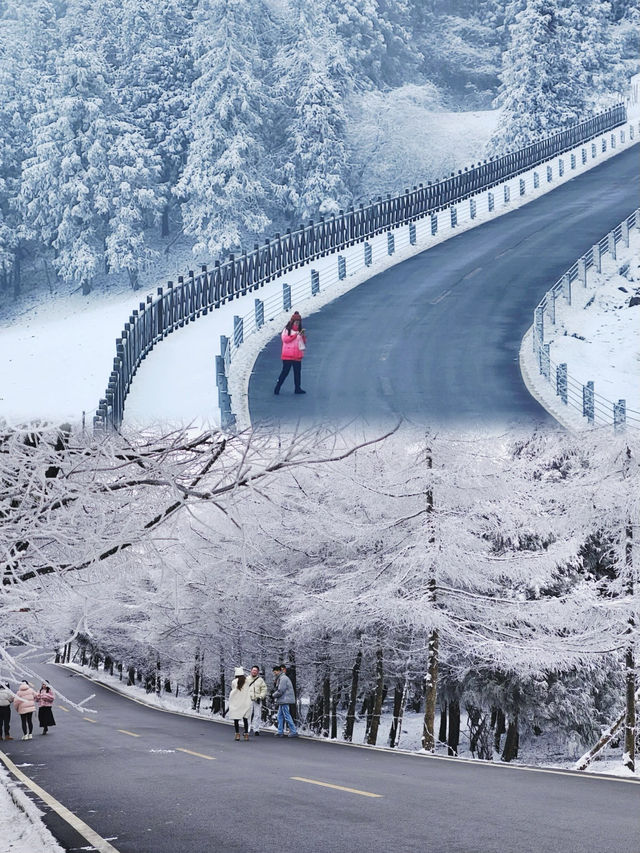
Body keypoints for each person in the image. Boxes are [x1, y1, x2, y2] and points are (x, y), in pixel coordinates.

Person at [274, 311, 307, 395]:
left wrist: (302, 336)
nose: (297, 324)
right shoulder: (287, 330)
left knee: (297, 373)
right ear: (292, 321)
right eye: (296, 322)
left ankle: (297, 388)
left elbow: (303, 342)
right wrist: (295, 335)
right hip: (287, 355)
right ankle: (277, 387)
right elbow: (285, 339)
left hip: (297, 355)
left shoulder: (299, 331)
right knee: (285, 372)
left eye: (298, 322)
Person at [272, 664, 298, 738]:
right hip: (283, 700)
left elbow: (281, 690)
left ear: (279, 671)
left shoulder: (283, 678)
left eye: (275, 672)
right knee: (280, 715)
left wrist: (273, 695)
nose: (274, 674)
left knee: (286, 715)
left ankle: (293, 731)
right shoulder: (282, 677)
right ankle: (280, 731)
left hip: (285, 699)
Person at [227, 667, 252, 741]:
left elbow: (233, 689)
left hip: (237, 702)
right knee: (245, 719)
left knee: (236, 719)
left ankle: (237, 734)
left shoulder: (234, 682)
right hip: (245, 702)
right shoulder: (247, 681)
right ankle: (246, 734)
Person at [247, 666, 267, 736]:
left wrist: (261, 697)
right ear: (251, 671)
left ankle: (256, 729)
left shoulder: (260, 680)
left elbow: (264, 689)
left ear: (257, 672)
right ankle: (247, 729)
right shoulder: (247, 679)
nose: (254, 672)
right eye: (253, 670)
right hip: (249, 699)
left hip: (257, 699)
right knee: (248, 714)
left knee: (257, 715)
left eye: (255, 670)